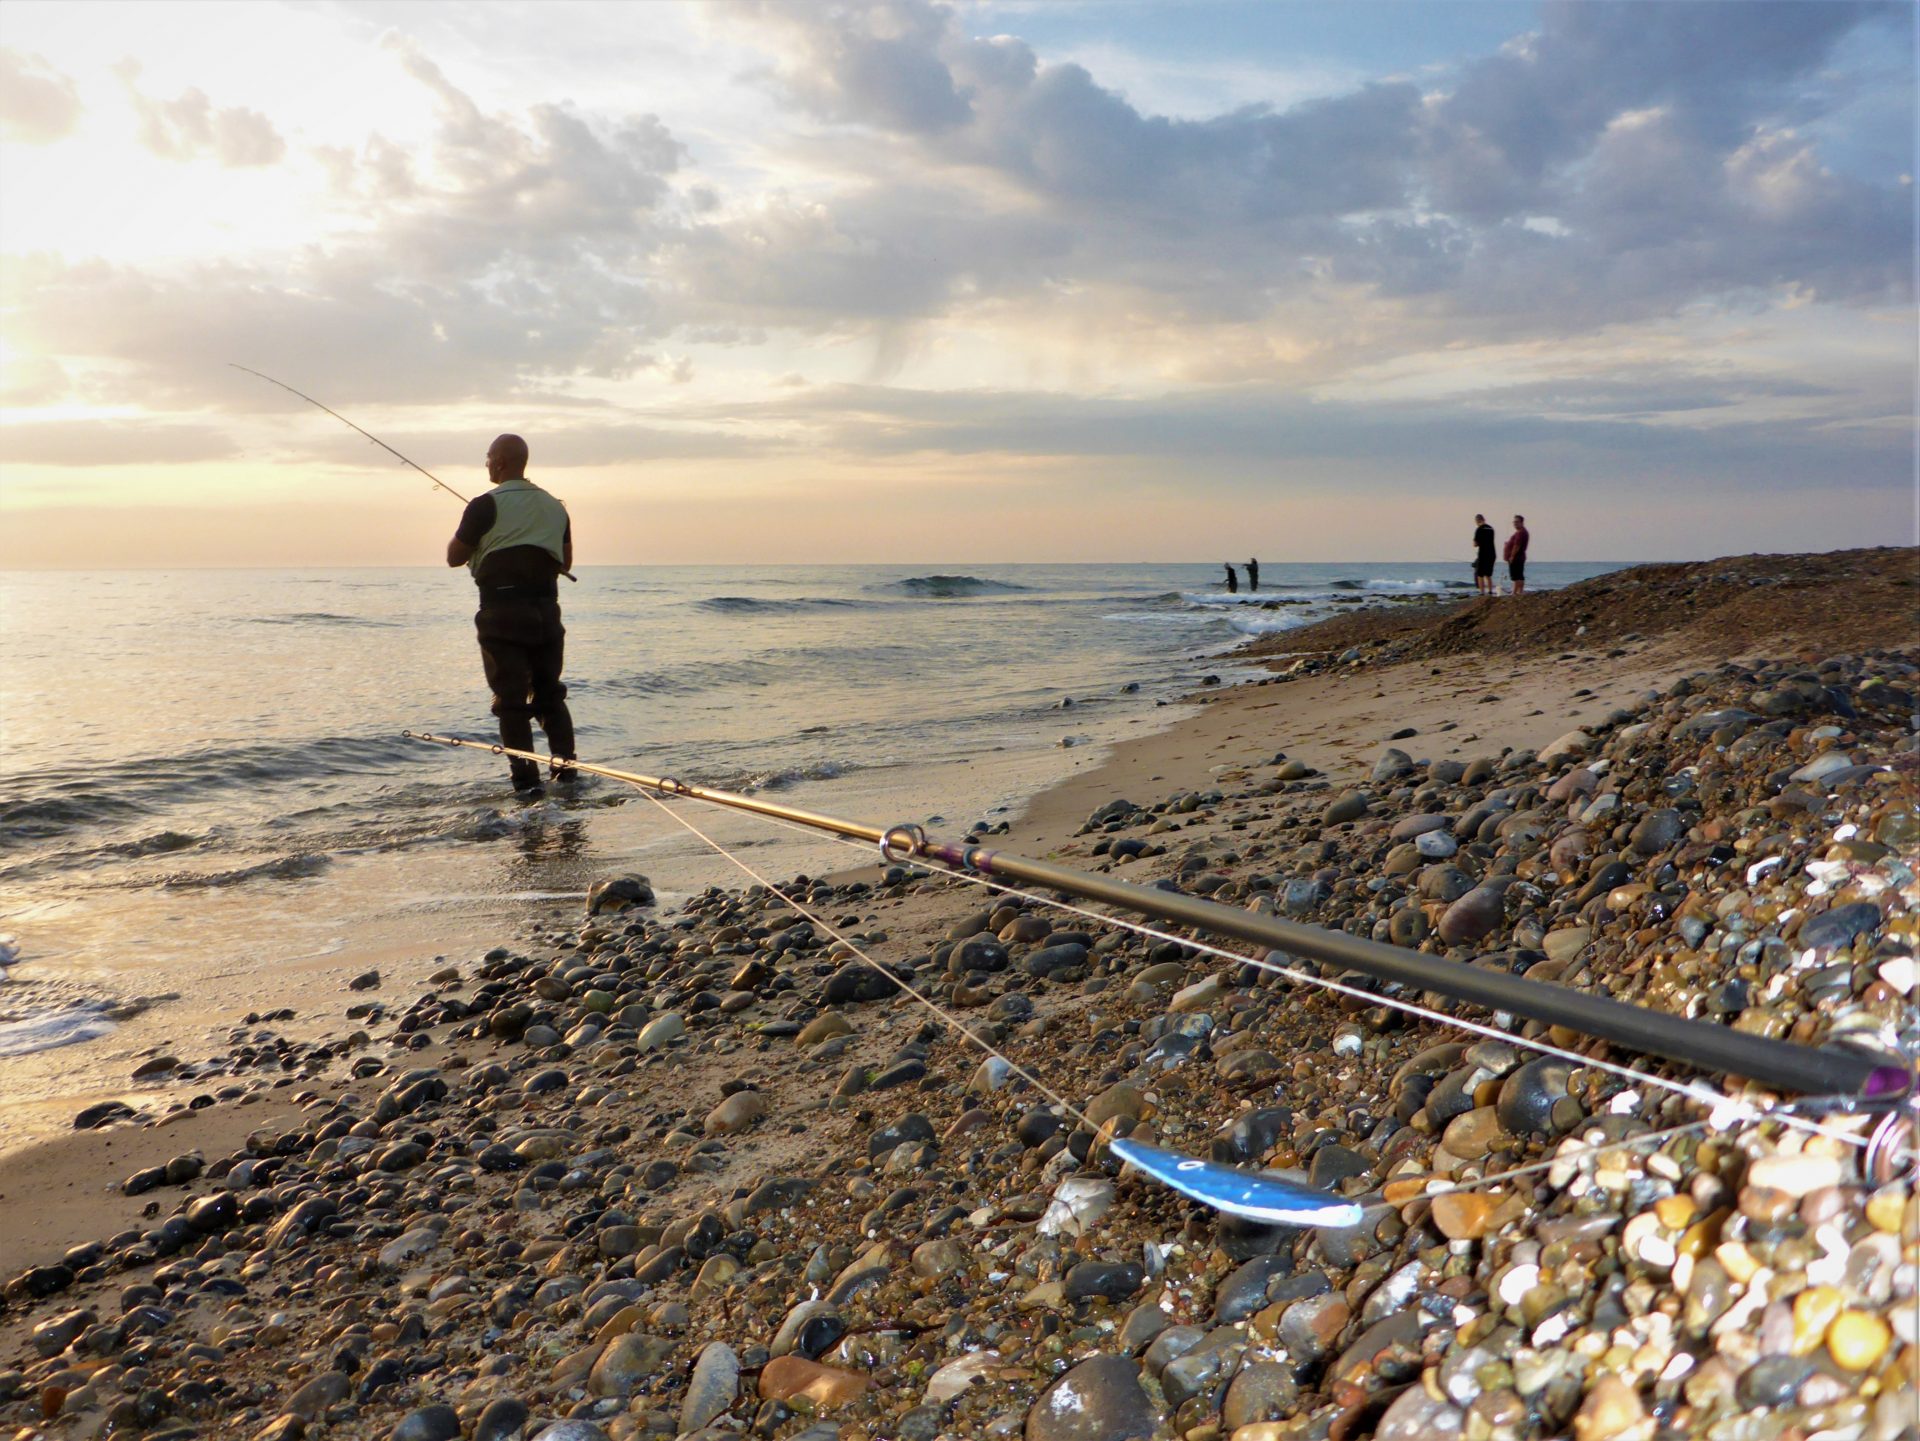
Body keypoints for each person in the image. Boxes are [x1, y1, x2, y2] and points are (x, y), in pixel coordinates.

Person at [445, 434, 577, 793]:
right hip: (547, 612)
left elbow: (454, 557)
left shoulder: (483, 506)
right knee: (550, 694)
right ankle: (567, 776)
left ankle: (526, 785)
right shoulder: (556, 506)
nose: (486, 464)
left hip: (501, 613)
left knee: (511, 701)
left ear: (501, 462)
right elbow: (565, 561)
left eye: (488, 458)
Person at [1504, 514, 1530, 595]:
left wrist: (1512, 556)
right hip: (1519, 557)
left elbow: (1517, 545)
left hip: (1517, 557)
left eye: (1517, 522)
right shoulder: (1521, 532)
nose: (1515, 524)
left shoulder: (1521, 533)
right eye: (1514, 522)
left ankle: (1515, 592)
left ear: (1521, 522)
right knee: (1519, 575)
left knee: (1516, 576)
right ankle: (1519, 592)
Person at [1472, 514, 1496, 595]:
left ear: (1477, 520)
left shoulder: (1479, 529)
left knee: (1480, 574)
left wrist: (1475, 542)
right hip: (1492, 553)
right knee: (1488, 574)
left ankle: (1482, 592)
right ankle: (1490, 591)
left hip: (1483, 553)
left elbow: (1475, 544)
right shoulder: (1491, 528)